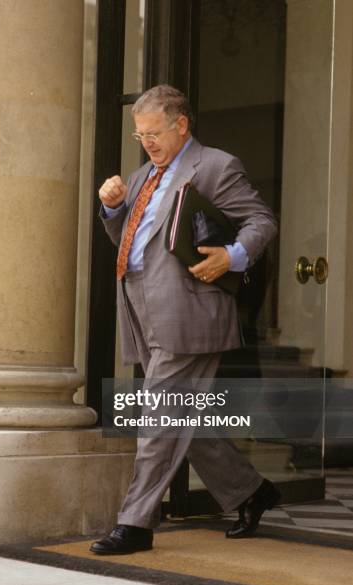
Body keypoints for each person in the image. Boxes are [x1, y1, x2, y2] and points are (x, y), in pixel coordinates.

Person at [90, 84, 280, 555]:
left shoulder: (215, 165)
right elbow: (130, 243)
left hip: (189, 312)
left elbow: (261, 221)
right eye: (140, 136)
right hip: (141, 311)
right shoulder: (140, 179)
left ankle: (135, 523)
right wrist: (113, 207)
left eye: (154, 133)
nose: (147, 142)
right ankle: (252, 492)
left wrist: (232, 257)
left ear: (181, 125)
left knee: (158, 415)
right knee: (182, 418)